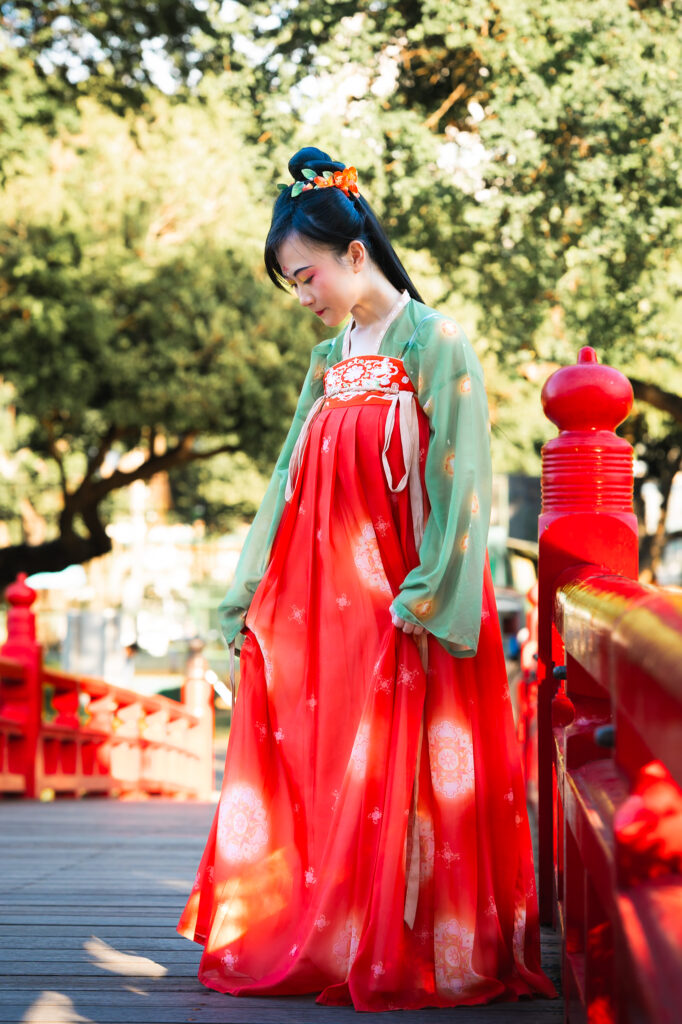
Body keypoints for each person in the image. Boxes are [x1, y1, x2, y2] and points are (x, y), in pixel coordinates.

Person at [177, 147, 557, 1011]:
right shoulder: (326, 362)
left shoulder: (436, 342)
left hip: (407, 606)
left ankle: (416, 944)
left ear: (355, 255)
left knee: (407, 781)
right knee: (332, 770)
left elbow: (464, 480)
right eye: (291, 286)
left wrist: (427, 593)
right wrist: (245, 593)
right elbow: (284, 482)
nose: (303, 298)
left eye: (307, 277)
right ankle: (337, 932)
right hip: (326, 609)